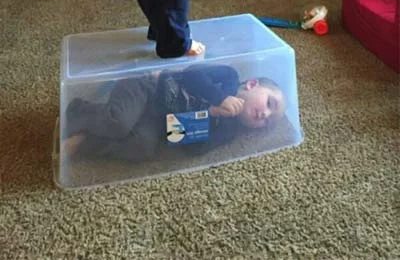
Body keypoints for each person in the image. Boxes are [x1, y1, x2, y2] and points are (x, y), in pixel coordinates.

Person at [62, 64, 286, 162]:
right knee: (119, 122)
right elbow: (192, 74)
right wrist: (219, 98)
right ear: (252, 84)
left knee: (143, 148)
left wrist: (210, 115)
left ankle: (84, 141)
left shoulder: (228, 130)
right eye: (269, 103)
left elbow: (192, 147)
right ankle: (80, 111)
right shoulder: (229, 77)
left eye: (267, 121)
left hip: (157, 120)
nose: (265, 115)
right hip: (149, 87)